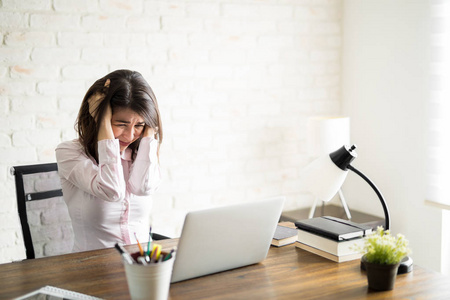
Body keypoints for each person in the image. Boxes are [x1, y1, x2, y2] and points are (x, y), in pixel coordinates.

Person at [56, 69, 162, 252]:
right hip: (93, 270)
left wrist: (150, 131)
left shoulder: (141, 152)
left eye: (139, 125)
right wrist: (102, 118)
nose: (130, 135)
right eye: (120, 124)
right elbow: (111, 190)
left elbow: (143, 187)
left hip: (141, 265)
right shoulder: (69, 152)